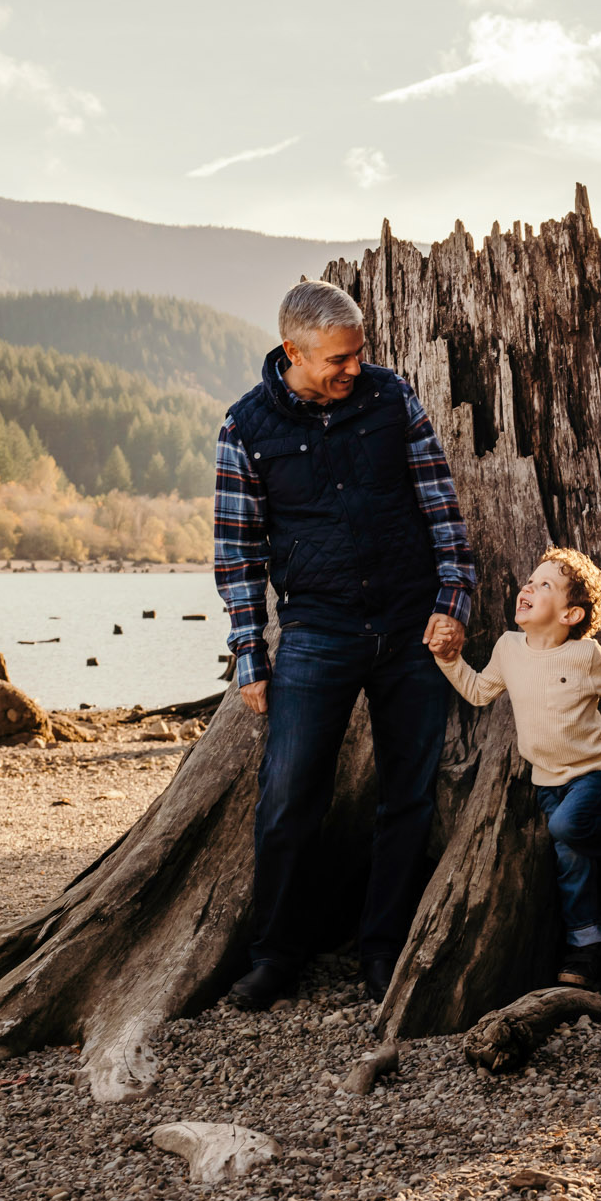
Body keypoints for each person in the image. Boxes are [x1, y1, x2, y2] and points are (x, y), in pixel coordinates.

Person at [213, 279, 475, 1010]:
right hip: (316, 632)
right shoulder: (246, 427)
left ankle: (384, 948)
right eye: (338, 358)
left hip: (410, 627)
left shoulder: (392, 400)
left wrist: (452, 602)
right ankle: (275, 956)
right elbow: (237, 555)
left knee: (409, 796)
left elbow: (443, 510)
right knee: (289, 795)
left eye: (359, 352)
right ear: (293, 351)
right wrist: (249, 654)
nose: (354, 367)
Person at [426, 547, 601, 992]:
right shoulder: (509, 648)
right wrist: (448, 659)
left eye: (544, 584)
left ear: (571, 614)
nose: (528, 588)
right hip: (548, 780)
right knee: (571, 860)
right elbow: (478, 692)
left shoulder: (585, 654)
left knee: (569, 827)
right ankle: (587, 945)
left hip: (597, 770)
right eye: (530, 581)